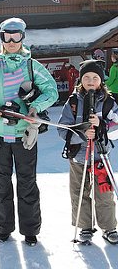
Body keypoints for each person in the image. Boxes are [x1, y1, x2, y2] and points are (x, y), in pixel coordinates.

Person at [0, 17, 58, 245]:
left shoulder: (32, 66)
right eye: (8, 36)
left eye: (17, 36)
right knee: (1, 182)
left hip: (25, 134)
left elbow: (52, 91)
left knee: (27, 182)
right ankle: (4, 228)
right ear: (2, 38)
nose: (12, 41)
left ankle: (30, 230)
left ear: (23, 37)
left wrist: (36, 106)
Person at [57, 59, 118, 245]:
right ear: (81, 80)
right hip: (79, 156)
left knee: (104, 192)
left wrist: (102, 127)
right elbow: (62, 129)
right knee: (79, 192)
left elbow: (116, 130)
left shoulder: (108, 103)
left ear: (101, 80)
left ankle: (109, 227)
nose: (91, 81)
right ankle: (84, 225)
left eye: (95, 77)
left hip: (100, 155)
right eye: (86, 77)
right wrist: (81, 134)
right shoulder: (73, 102)